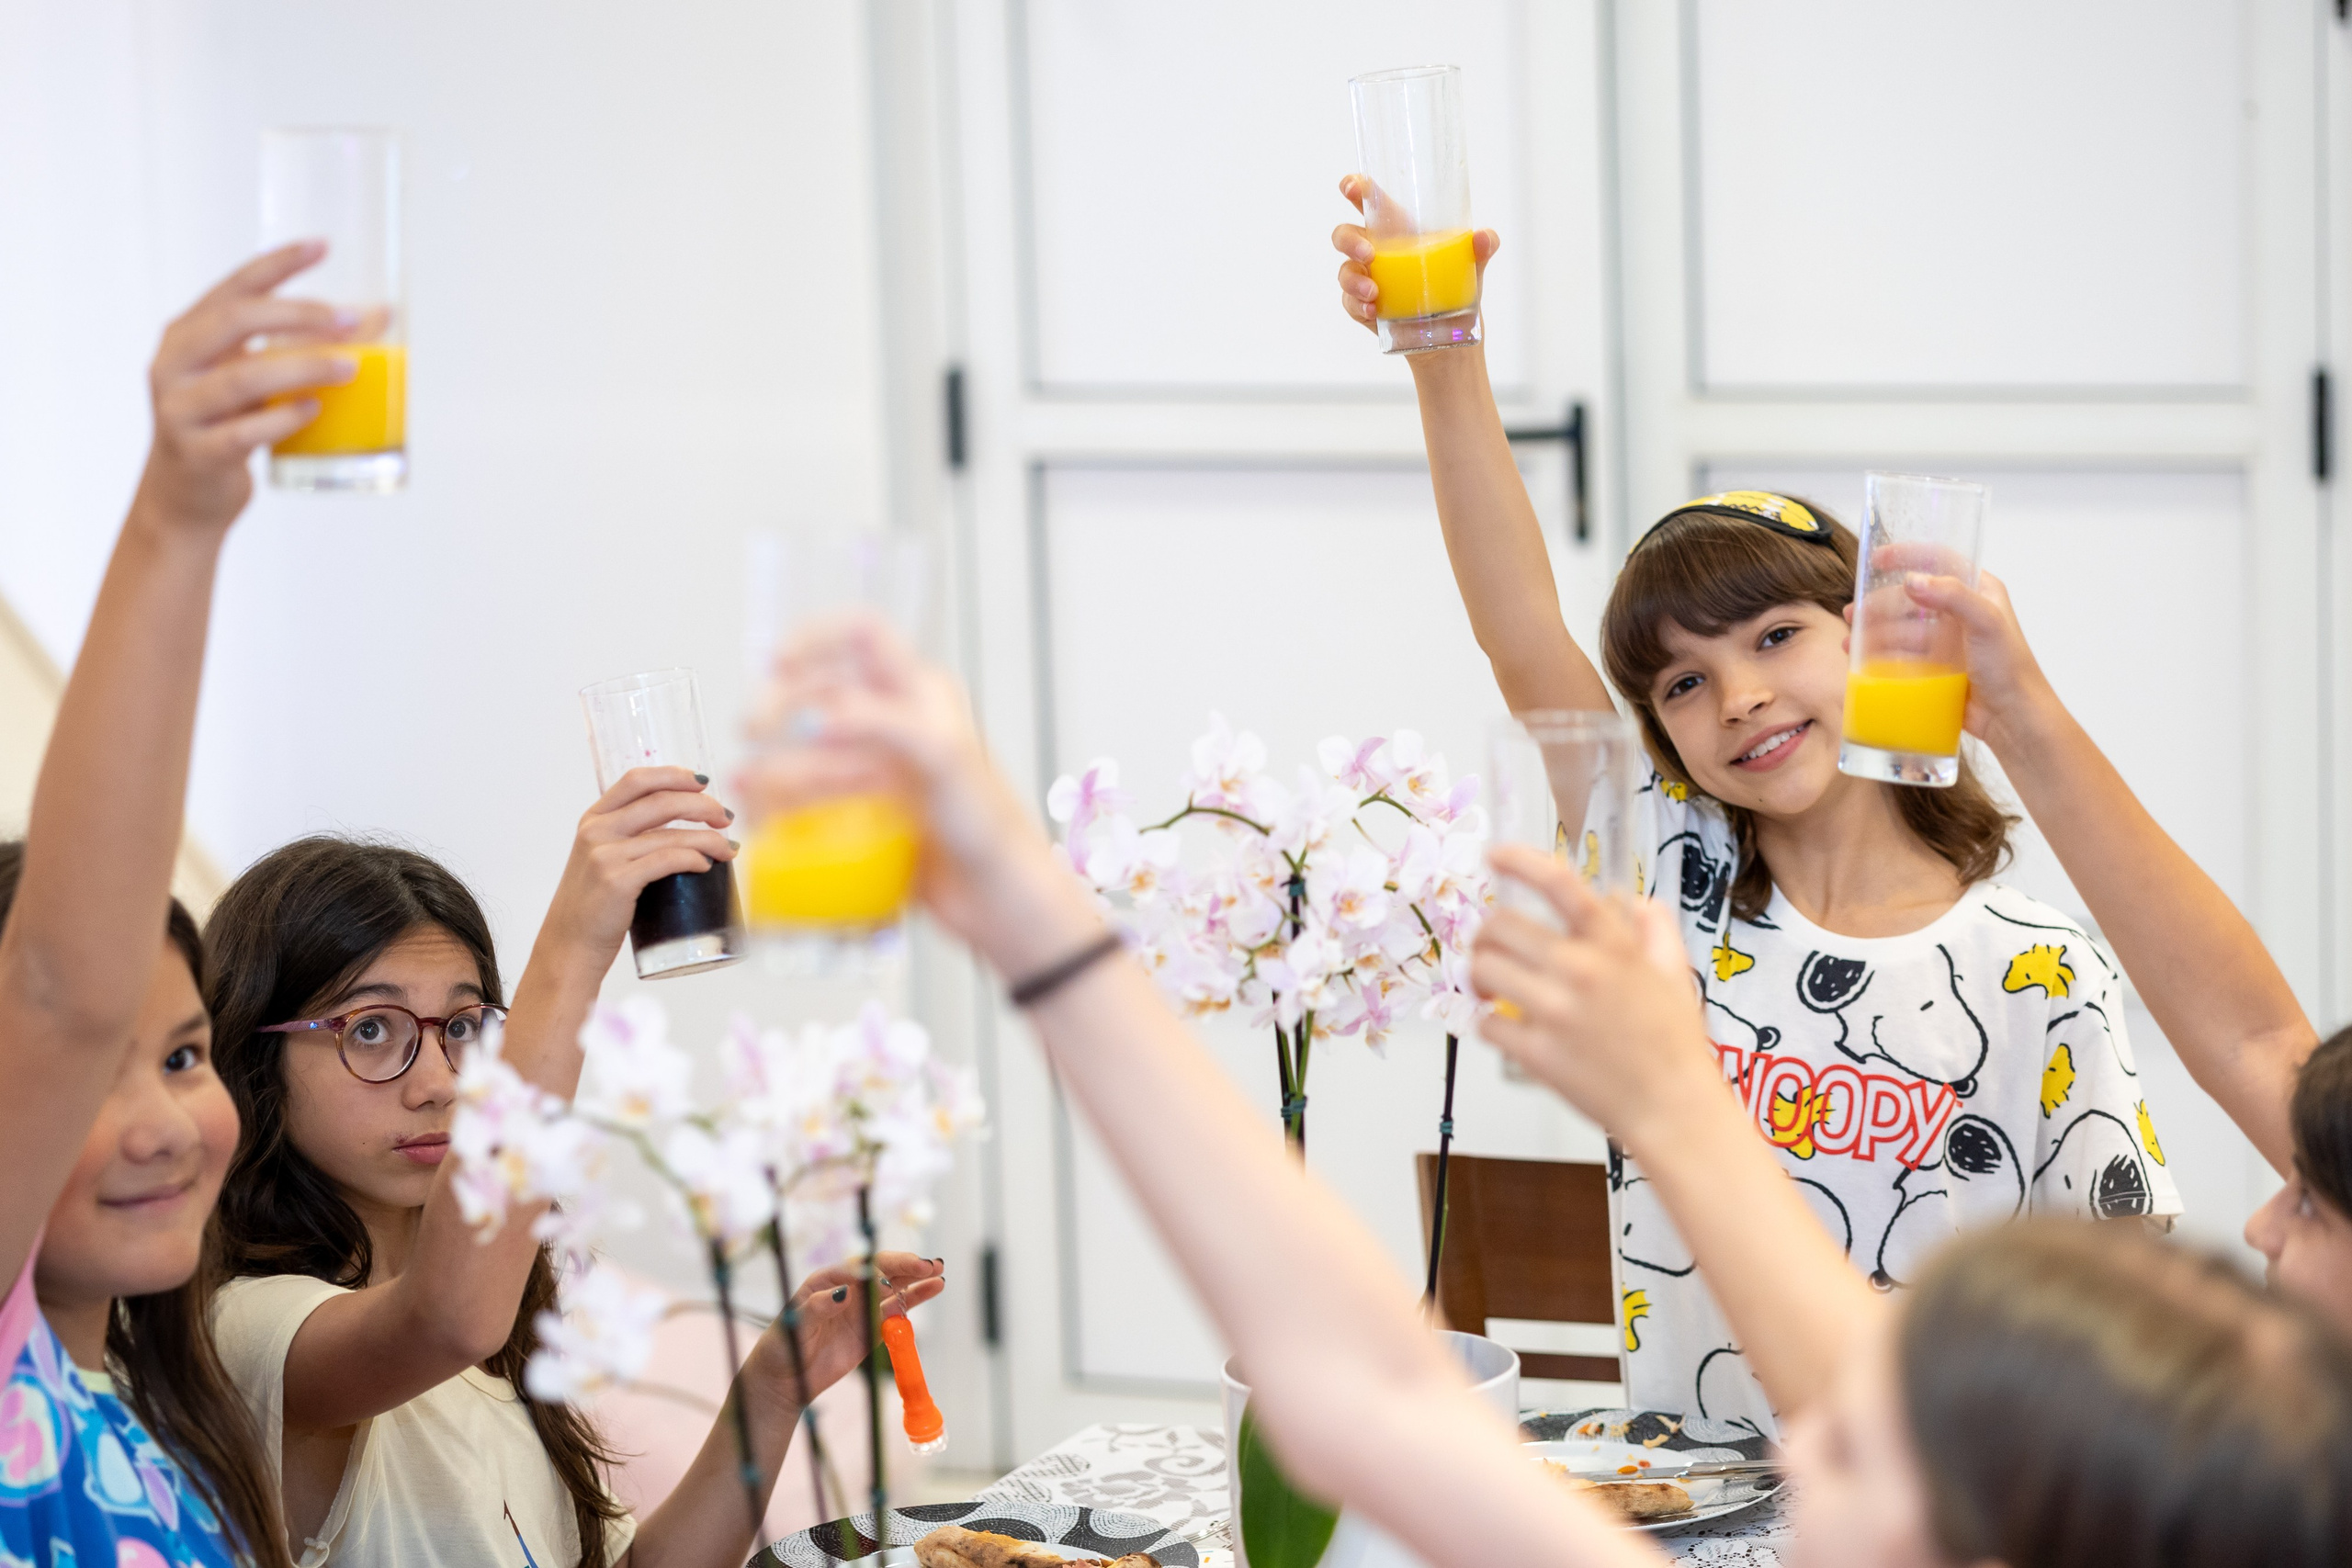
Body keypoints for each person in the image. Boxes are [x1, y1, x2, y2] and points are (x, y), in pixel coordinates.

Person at [741, 614, 2352, 1568]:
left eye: (1859, 1452)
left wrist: (1033, 917)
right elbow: (1362, 1396)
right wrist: (1021, 902)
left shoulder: (2021, 963)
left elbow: (1358, 1393)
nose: (2267, 1216)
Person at [1330, 192, 2179, 1432]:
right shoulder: (1662, 875)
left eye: (1778, 634)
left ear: (1878, 635)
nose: (1739, 694)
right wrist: (1443, 349)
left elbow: (2134, 1299)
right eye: (1682, 679)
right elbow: (1519, 628)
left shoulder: (2040, 970)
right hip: (1683, 1509)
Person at [200, 822, 947, 1568]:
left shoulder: (508, 1338)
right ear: (254, 1059)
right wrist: (576, 942)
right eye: (369, 1029)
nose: (439, 1083)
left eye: (461, 1025)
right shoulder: (248, 1327)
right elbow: (447, 1316)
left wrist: (773, 1390)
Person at [0, 243, 358, 1567]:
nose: (162, 1124)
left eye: (185, 1056)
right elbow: (58, 981)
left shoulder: (159, 1414)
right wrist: (178, 515)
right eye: (91, 1076)